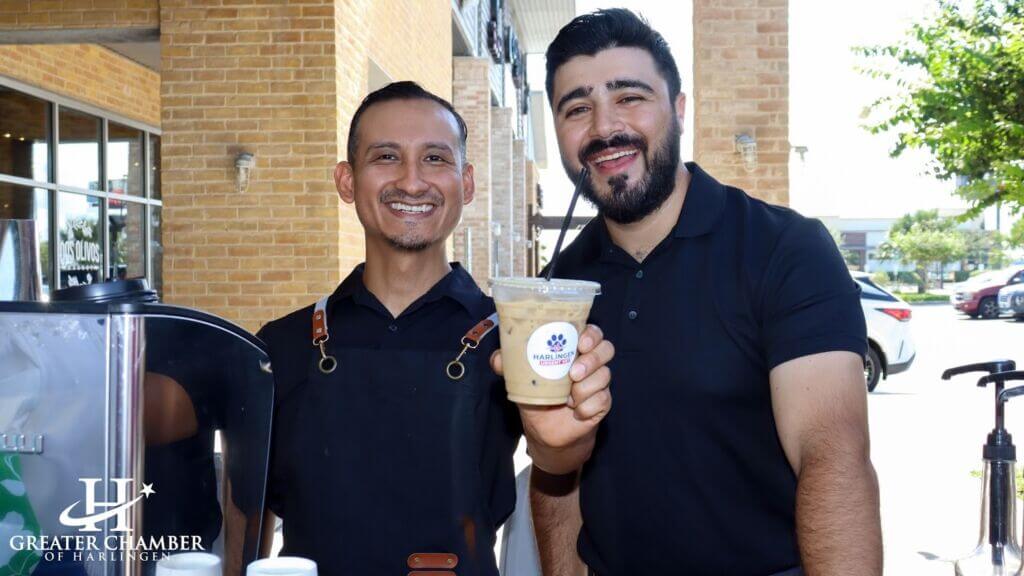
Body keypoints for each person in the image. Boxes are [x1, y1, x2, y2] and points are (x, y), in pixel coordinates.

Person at [528, 9, 882, 576]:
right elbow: (556, 468)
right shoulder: (558, 286)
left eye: (630, 97)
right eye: (577, 108)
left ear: (680, 111)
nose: (603, 127)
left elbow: (832, 457)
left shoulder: (785, 250)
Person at [255, 81, 613, 576]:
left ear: (466, 184)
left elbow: (559, 461)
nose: (411, 181)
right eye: (385, 156)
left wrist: (565, 438)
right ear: (346, 181)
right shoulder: (280, 344)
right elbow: (246, 508)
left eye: (435, 159)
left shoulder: (511, 337)